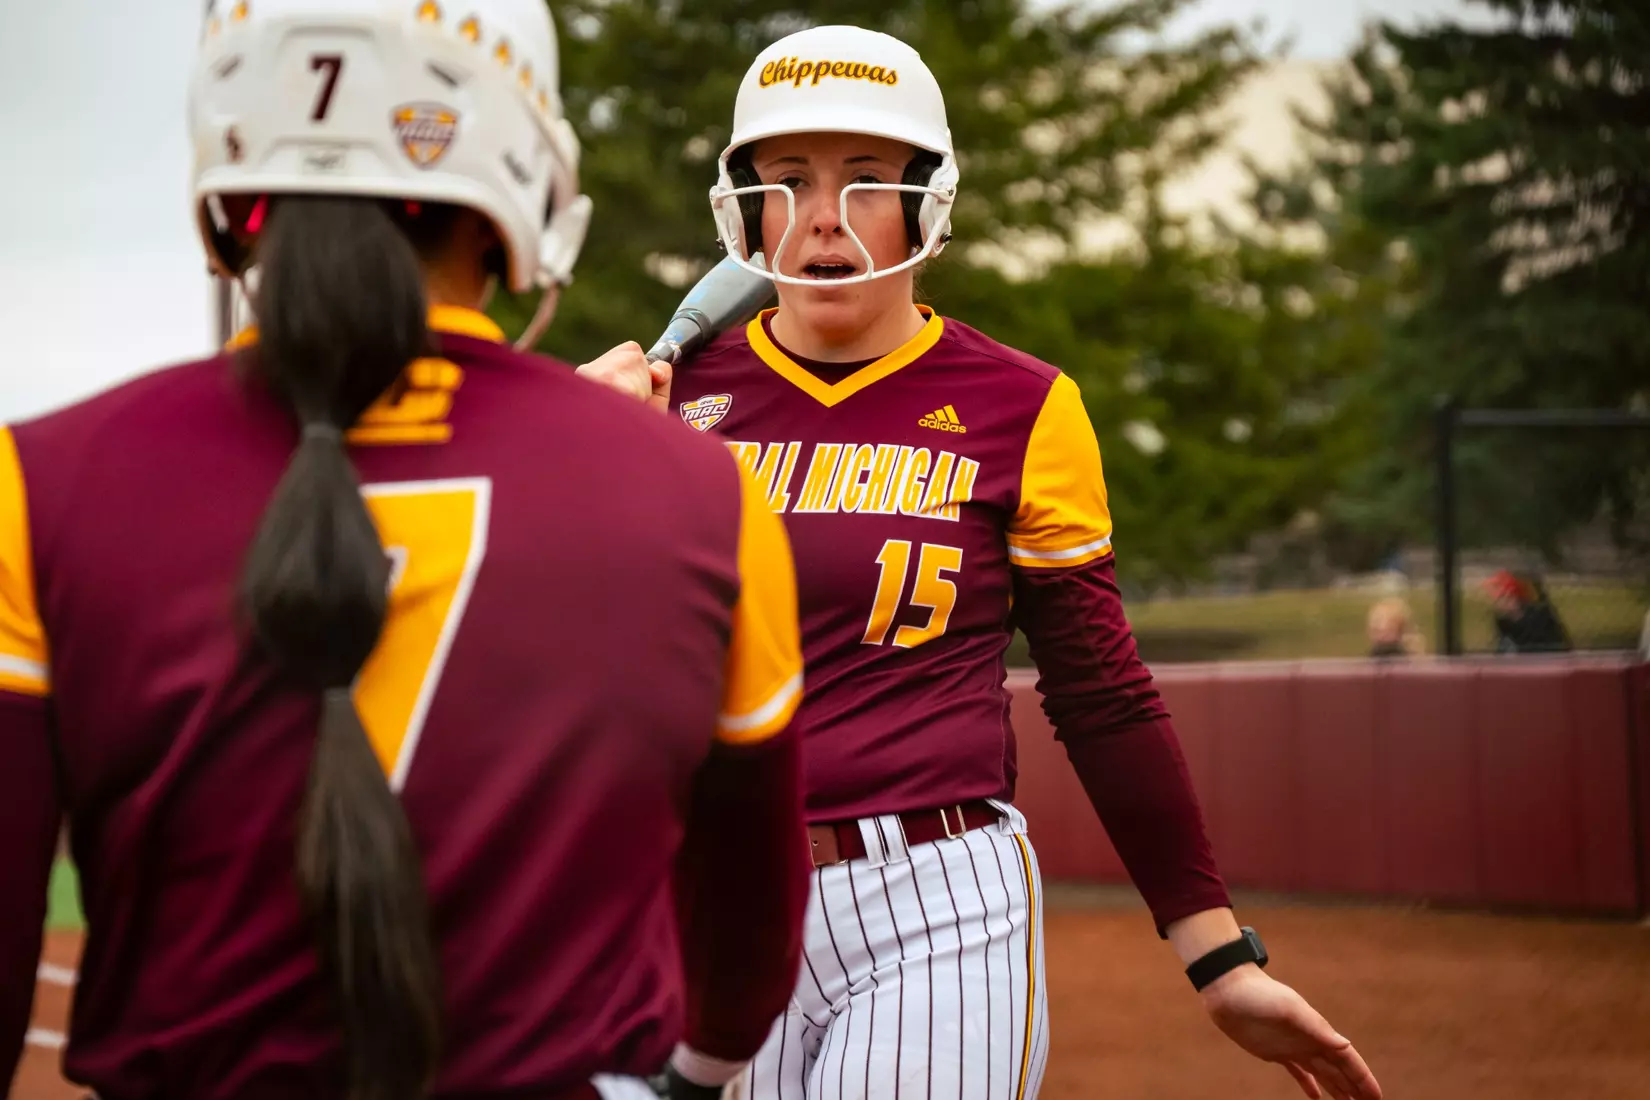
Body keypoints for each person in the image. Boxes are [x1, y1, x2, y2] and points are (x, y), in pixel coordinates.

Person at [0, 2, 812, 1098]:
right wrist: (701, 1070)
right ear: (524, 179)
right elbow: (746, 928)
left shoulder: (39, 480)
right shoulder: (704, 498)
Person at [586, 24, 1382, 1100]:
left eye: (866, 179)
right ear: (746, 208)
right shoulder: (663, 405)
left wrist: (1218, 951)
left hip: (931, 900)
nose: (823, 214)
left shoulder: (1024, 405)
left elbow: (1100, 691)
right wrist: (574, 465)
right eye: (789, 179)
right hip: (703, 892)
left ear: (927, 202)